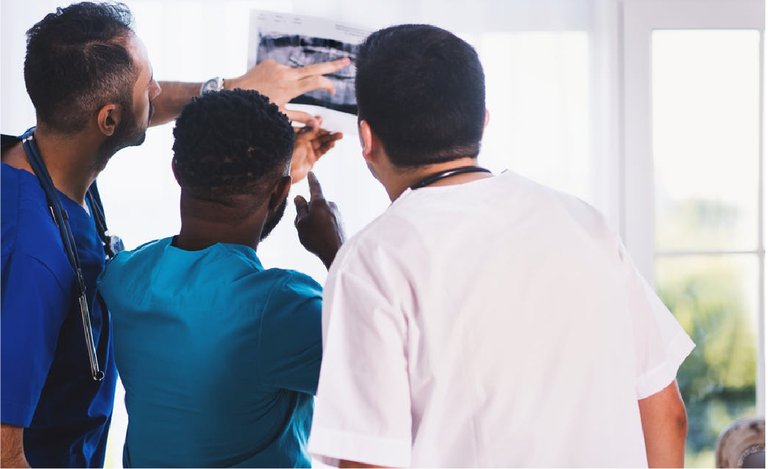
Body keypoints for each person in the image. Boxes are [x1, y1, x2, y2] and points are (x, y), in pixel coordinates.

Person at [304, 24, 695, 467]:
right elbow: (667, 415)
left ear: (366, 138)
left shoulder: (370, 260)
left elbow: (370, 461)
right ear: (483, 121)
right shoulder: (585, 224)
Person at [0, 2, 347, 467]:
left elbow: (139, 111)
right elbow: (5, 451)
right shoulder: (34, 256)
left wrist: (234, 98)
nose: (159, 92)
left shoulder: (50, 160)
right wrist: (335, 251)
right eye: (149, 85)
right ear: (108, 120)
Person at [97, 89, 344, 468]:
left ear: (177, 170)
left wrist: (274, 180)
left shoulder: (124, 277)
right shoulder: (280, 309)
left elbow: (221, 262)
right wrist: (338, 254)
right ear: (282, 191)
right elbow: (381, 368)